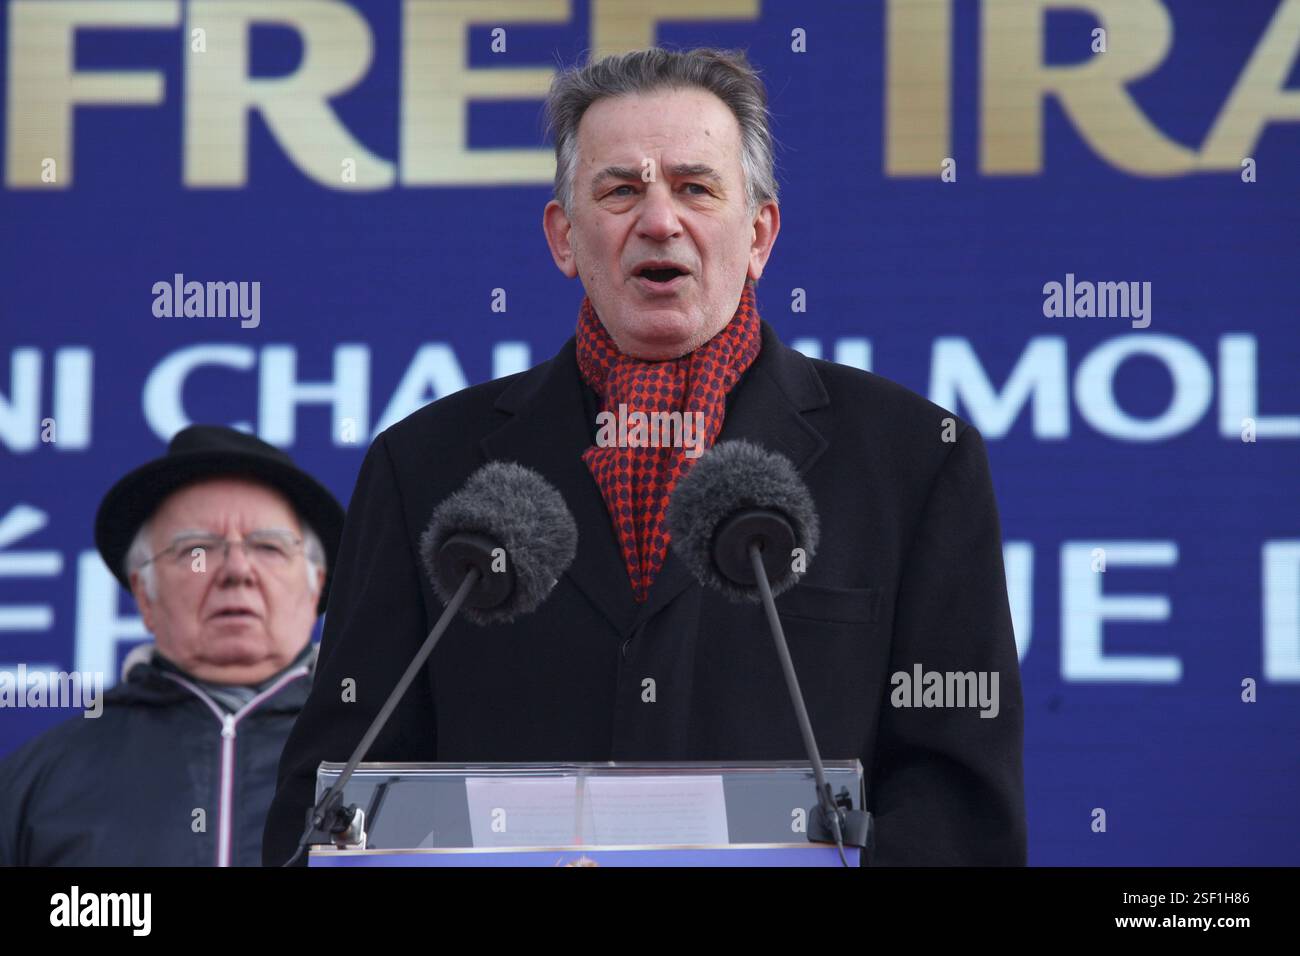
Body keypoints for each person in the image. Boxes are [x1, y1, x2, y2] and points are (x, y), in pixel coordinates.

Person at [264, 47, 1026, 866]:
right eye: (621, 189)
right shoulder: (424, 468)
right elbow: (336, 797)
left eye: (696, 187)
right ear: (564, 237)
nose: (660, 220)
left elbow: (959, 803)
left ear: (760, 233)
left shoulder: (912, 461)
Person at [0, 425, 343, 866]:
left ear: (316, 584)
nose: (237, 569)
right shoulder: (37, 782)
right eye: (197, 549)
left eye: (269, 547)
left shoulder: (377, 757)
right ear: (144, 593)